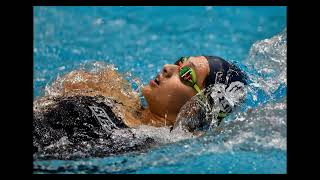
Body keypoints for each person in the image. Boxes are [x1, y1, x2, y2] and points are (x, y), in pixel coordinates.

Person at [33, 55, 248, 160]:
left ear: (196, 107)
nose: (168, 67)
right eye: (179, 62)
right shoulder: (113, 91)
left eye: (185, 74)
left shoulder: (153, 142)